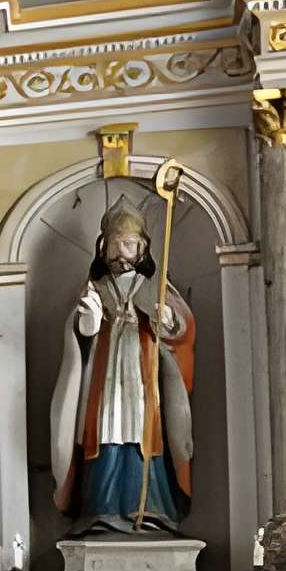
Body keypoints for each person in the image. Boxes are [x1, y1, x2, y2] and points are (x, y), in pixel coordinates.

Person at [49, 202, 193, 532]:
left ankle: (151, 507)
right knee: (106, 430)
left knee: (146, 431)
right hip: (106, 373)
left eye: (128, 243)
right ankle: (102, 507)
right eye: (114, 244)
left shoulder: (155, 288)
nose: (121, 252)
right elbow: (80, 333)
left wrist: (166, 320)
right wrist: (86, 321)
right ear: (104, 247)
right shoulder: (96, 288)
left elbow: (181, 327)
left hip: (144, 372)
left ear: (142, 248)